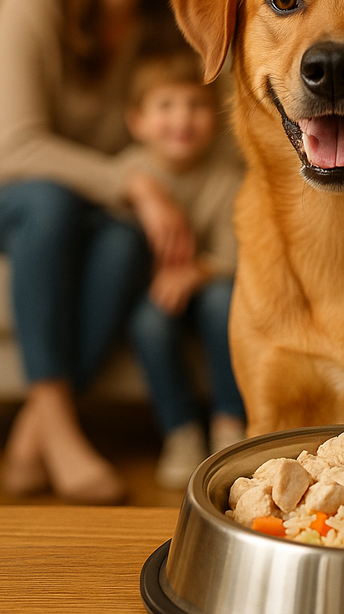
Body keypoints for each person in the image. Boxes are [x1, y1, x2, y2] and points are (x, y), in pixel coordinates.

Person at [0, 0, 197, 504]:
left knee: (121, 237)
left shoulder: (169, 31)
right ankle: (58, 427)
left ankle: (31, 433)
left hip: (78, 205)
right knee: (51, 201)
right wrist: (137, 185)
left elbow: (181, 144)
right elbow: (19, 144)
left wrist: (165, 211)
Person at [120, 52, 246, 489]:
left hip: (209, 285)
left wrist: (194, 272)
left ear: (216, 117)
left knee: (224, 302)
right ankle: (181, 433)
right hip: (155, 292)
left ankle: (231, 427)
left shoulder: (227, 177)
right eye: (166, 106)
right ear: (137, 121)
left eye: (196, 106)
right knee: (148, 324)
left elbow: (234, 255)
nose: (182, 119)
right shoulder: (129, 171)